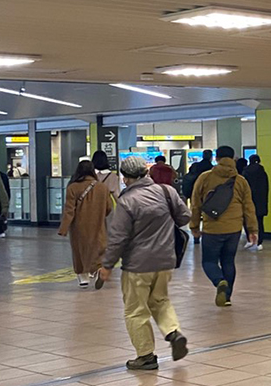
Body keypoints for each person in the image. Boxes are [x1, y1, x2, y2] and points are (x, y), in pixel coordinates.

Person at [97, 156, 190, 371]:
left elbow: (118, 237)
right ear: (146, 173)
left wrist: (107, 265)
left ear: (125, 178)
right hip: (166, 260)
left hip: (137, 265)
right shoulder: (167, 192)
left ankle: (145, 356)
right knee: (160, 300)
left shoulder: (127, 201)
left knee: (136, 310)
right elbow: (184, 217)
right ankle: (173, 332)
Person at [189, 145, 258, 307]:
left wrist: (194, 225)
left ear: (216, 158)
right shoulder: (241, 181)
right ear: (233, 159)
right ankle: (226, 297)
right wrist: (253, 230)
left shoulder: (205, 178)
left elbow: (195, 204)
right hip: (234, 229)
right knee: (228, 262)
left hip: (212, 228)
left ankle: (219, 281)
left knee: (209, 262)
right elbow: (249, 207)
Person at [58, 160, 112, 286]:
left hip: (79, 226)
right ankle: (97, 269)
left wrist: (63, 228)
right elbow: (109, 207)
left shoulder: (72, 187)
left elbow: (69, 210)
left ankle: (83, 278)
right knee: (98, 249)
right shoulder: (102, 187)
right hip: (98, 224)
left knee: (79, 250)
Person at [182, 149, 213, 241]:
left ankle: (196, 235)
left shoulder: (196, 166)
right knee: (208, 214)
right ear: (211, 157)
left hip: (194, 192)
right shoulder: (212, 168)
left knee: (195, 212)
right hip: (208, 194)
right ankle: (208, 233)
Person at [243, 155, 270, 250]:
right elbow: (266, 189)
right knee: (259, 221)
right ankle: (259, 242)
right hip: (260, 201)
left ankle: (250, 240)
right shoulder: (263, 173)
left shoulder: (245, 172)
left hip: (248, 201)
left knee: (247, 221)